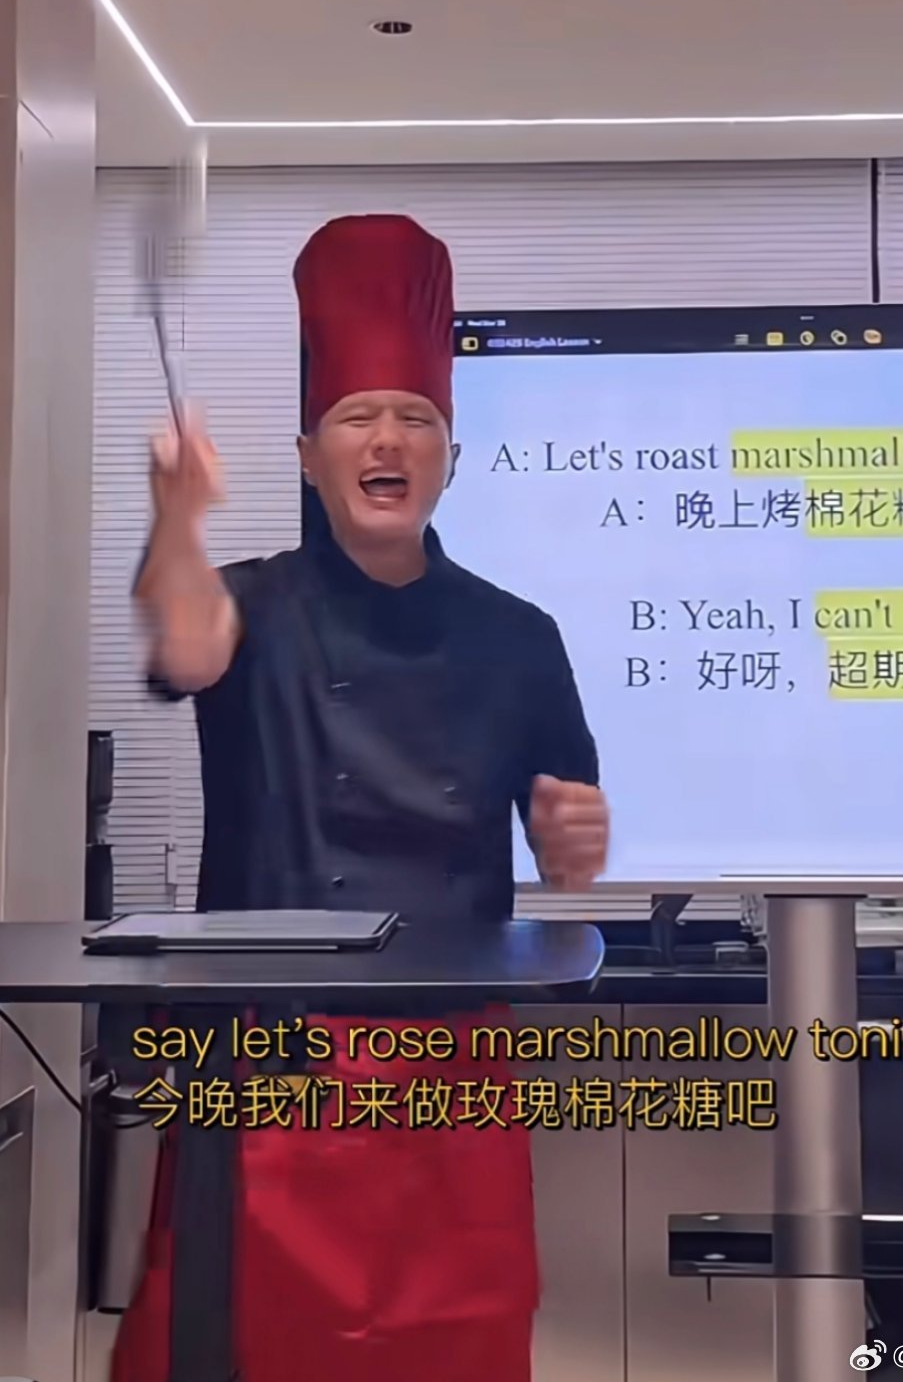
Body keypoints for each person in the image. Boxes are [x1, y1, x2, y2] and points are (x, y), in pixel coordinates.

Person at [111, 214, 609, 1382]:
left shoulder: (521, 636)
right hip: (271, 1063)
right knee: (243, 1343)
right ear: (308, 456)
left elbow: (570, 857)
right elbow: (182, 645)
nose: (388, 438)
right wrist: (178, 514)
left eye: (416, 418)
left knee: (450, 1349)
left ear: (450, 456)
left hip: (453, 1073)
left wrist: (573, 835)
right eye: (357, 417)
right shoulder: (248, 605)